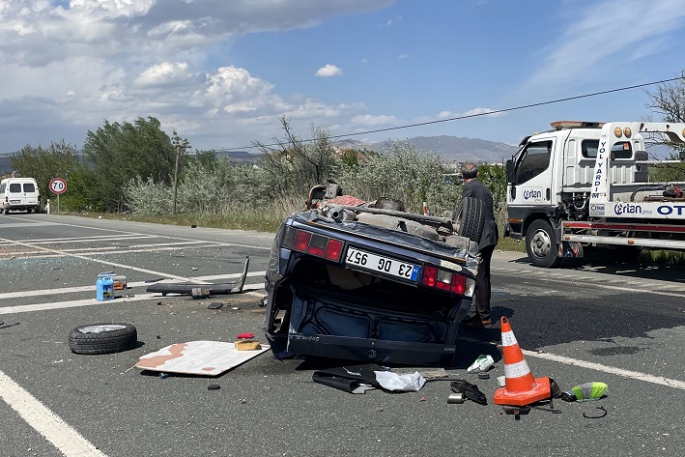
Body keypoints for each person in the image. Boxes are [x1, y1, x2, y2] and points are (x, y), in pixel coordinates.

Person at [459, 162, 499, 329]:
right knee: (484, 276)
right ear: (478, 173)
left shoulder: (470, 189)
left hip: (481, 237)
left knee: (479, 276)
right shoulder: (483, 188)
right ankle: (482, 314)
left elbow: (463, 212)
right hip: (490, 235)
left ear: (462, 176)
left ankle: (483, 318)